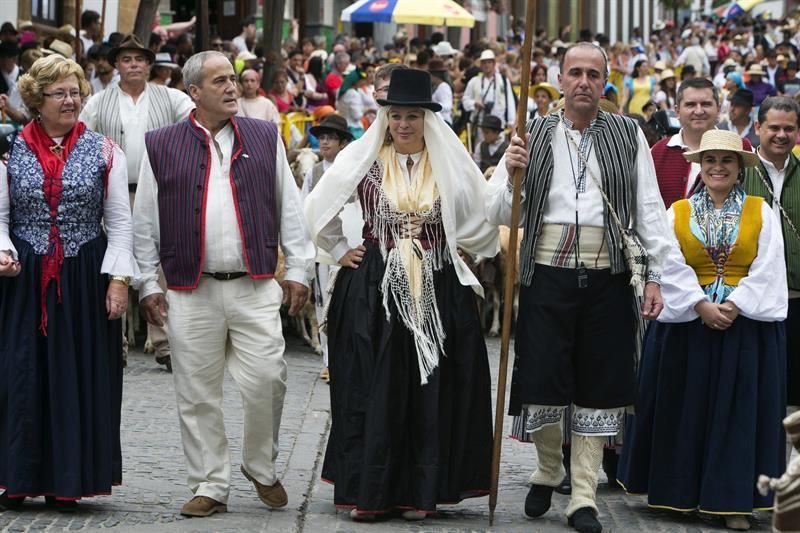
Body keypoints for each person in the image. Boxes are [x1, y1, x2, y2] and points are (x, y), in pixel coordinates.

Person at [487, 42, 672, 533]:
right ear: (561, 79)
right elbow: (493, 213)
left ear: (606, 80)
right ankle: (550, 466)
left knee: (599, 383)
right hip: (546, 272)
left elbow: (649, 210)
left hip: (608, 275)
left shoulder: (628, 133)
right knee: (543, 378)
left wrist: (656, 277)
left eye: (593, 73)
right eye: (575, 73)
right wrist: (510, 176)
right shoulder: (533, 134)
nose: (584, 81)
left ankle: (583, 495)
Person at [305, 68, 498, 521]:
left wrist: (507, 179)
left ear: (428, 119)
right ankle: (372, 491)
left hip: (437, 286)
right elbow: (318, 207)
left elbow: (485, 214)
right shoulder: (364, 161)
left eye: (413, 116)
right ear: (386, 118)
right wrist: (338, 249)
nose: (404, 124)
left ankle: (421, 492)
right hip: (376, 286)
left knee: (431, 388)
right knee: (374, 386)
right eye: (396, 116)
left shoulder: (448, 165)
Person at [133, 50, 314, 518]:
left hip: (254, 284)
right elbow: (144, 220)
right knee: (195, 392)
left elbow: (288, 207)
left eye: (233, 79)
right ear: (194, 92)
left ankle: (260, 465)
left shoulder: (264, 134)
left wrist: (298, 269)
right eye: (219, 81)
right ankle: (209, 483)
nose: (232, 87)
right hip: (190, 288)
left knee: (268, 380)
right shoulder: (161, 144)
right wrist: (147, 283)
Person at [618, 129, 787, 532]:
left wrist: (734, 304)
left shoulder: (762, 211)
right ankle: (682, 493)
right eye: (710, 160)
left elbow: (769, 264)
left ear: (738, 169)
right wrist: (699, 304)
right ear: (699, 165)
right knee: (688, 408)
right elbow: (668, 261)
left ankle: (731, 500)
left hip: (744, 325)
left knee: (737, 413)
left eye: (726, 161)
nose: (718, 168)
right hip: (689, 323)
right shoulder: (677, 212)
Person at [0, 54, 135, 510]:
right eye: (60, 92)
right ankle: (14, 477)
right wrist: (4, 249)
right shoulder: (8, 149)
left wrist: (118, 280)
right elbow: (0, 216)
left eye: (76, 91)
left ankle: (68, 479)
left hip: (83, 276)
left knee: (78, 375)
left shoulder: (104, 150)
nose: (71, 99)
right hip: (22, 278)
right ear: (37, 99)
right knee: (19, 375)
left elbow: (119, 222)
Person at [80, 34, 194, 371]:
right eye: (126, 60)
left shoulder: (170, 97)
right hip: (112, 195)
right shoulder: (99, 102)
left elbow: (197, 117)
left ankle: (164, 343)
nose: (133, 65)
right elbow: (80, 138)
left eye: (139, 60)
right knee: (115, 264)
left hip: (159, 192)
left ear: (149, 64)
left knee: (158, 265)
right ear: (116, 65)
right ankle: (118, 342)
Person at [742, 96, 800, 459]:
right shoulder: (738, 173)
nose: (781, 135)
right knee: (757, 397)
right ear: (758, 127)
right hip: (752, 305)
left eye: (788, 128)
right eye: (774, 127)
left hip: (797, 300)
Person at [299, 113, 354, 382]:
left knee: (349, 303)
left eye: (331, 137)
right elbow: (304, 208)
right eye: (321, 137)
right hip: (322, 247)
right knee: (323, 304)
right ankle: (329, 360)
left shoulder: (352, 170)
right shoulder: (314, 172)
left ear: (343, 142)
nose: (324, 142)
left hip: (349, 244)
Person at [650, 77, 748, 209]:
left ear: (718, 109)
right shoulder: (656, 153)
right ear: (677, 111)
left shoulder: (742, 148)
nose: (699, 111)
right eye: (690, 105)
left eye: (706, 104)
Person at [462, 49, 517, 130]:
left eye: (489, 62)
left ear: (494, 64)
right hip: (480, 123)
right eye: (484, 62)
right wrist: (475, 103)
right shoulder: (474, 81)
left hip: (499, 122)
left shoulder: (503, 80)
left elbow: (510, 100)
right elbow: (465, 99)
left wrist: (511, 121)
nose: (486, 65)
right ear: (481, 65)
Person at [428, 59, 453, 126]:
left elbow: (448, 106)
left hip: (444, 121)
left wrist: (433, 105)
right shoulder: (437, 86)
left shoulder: (444, 87)